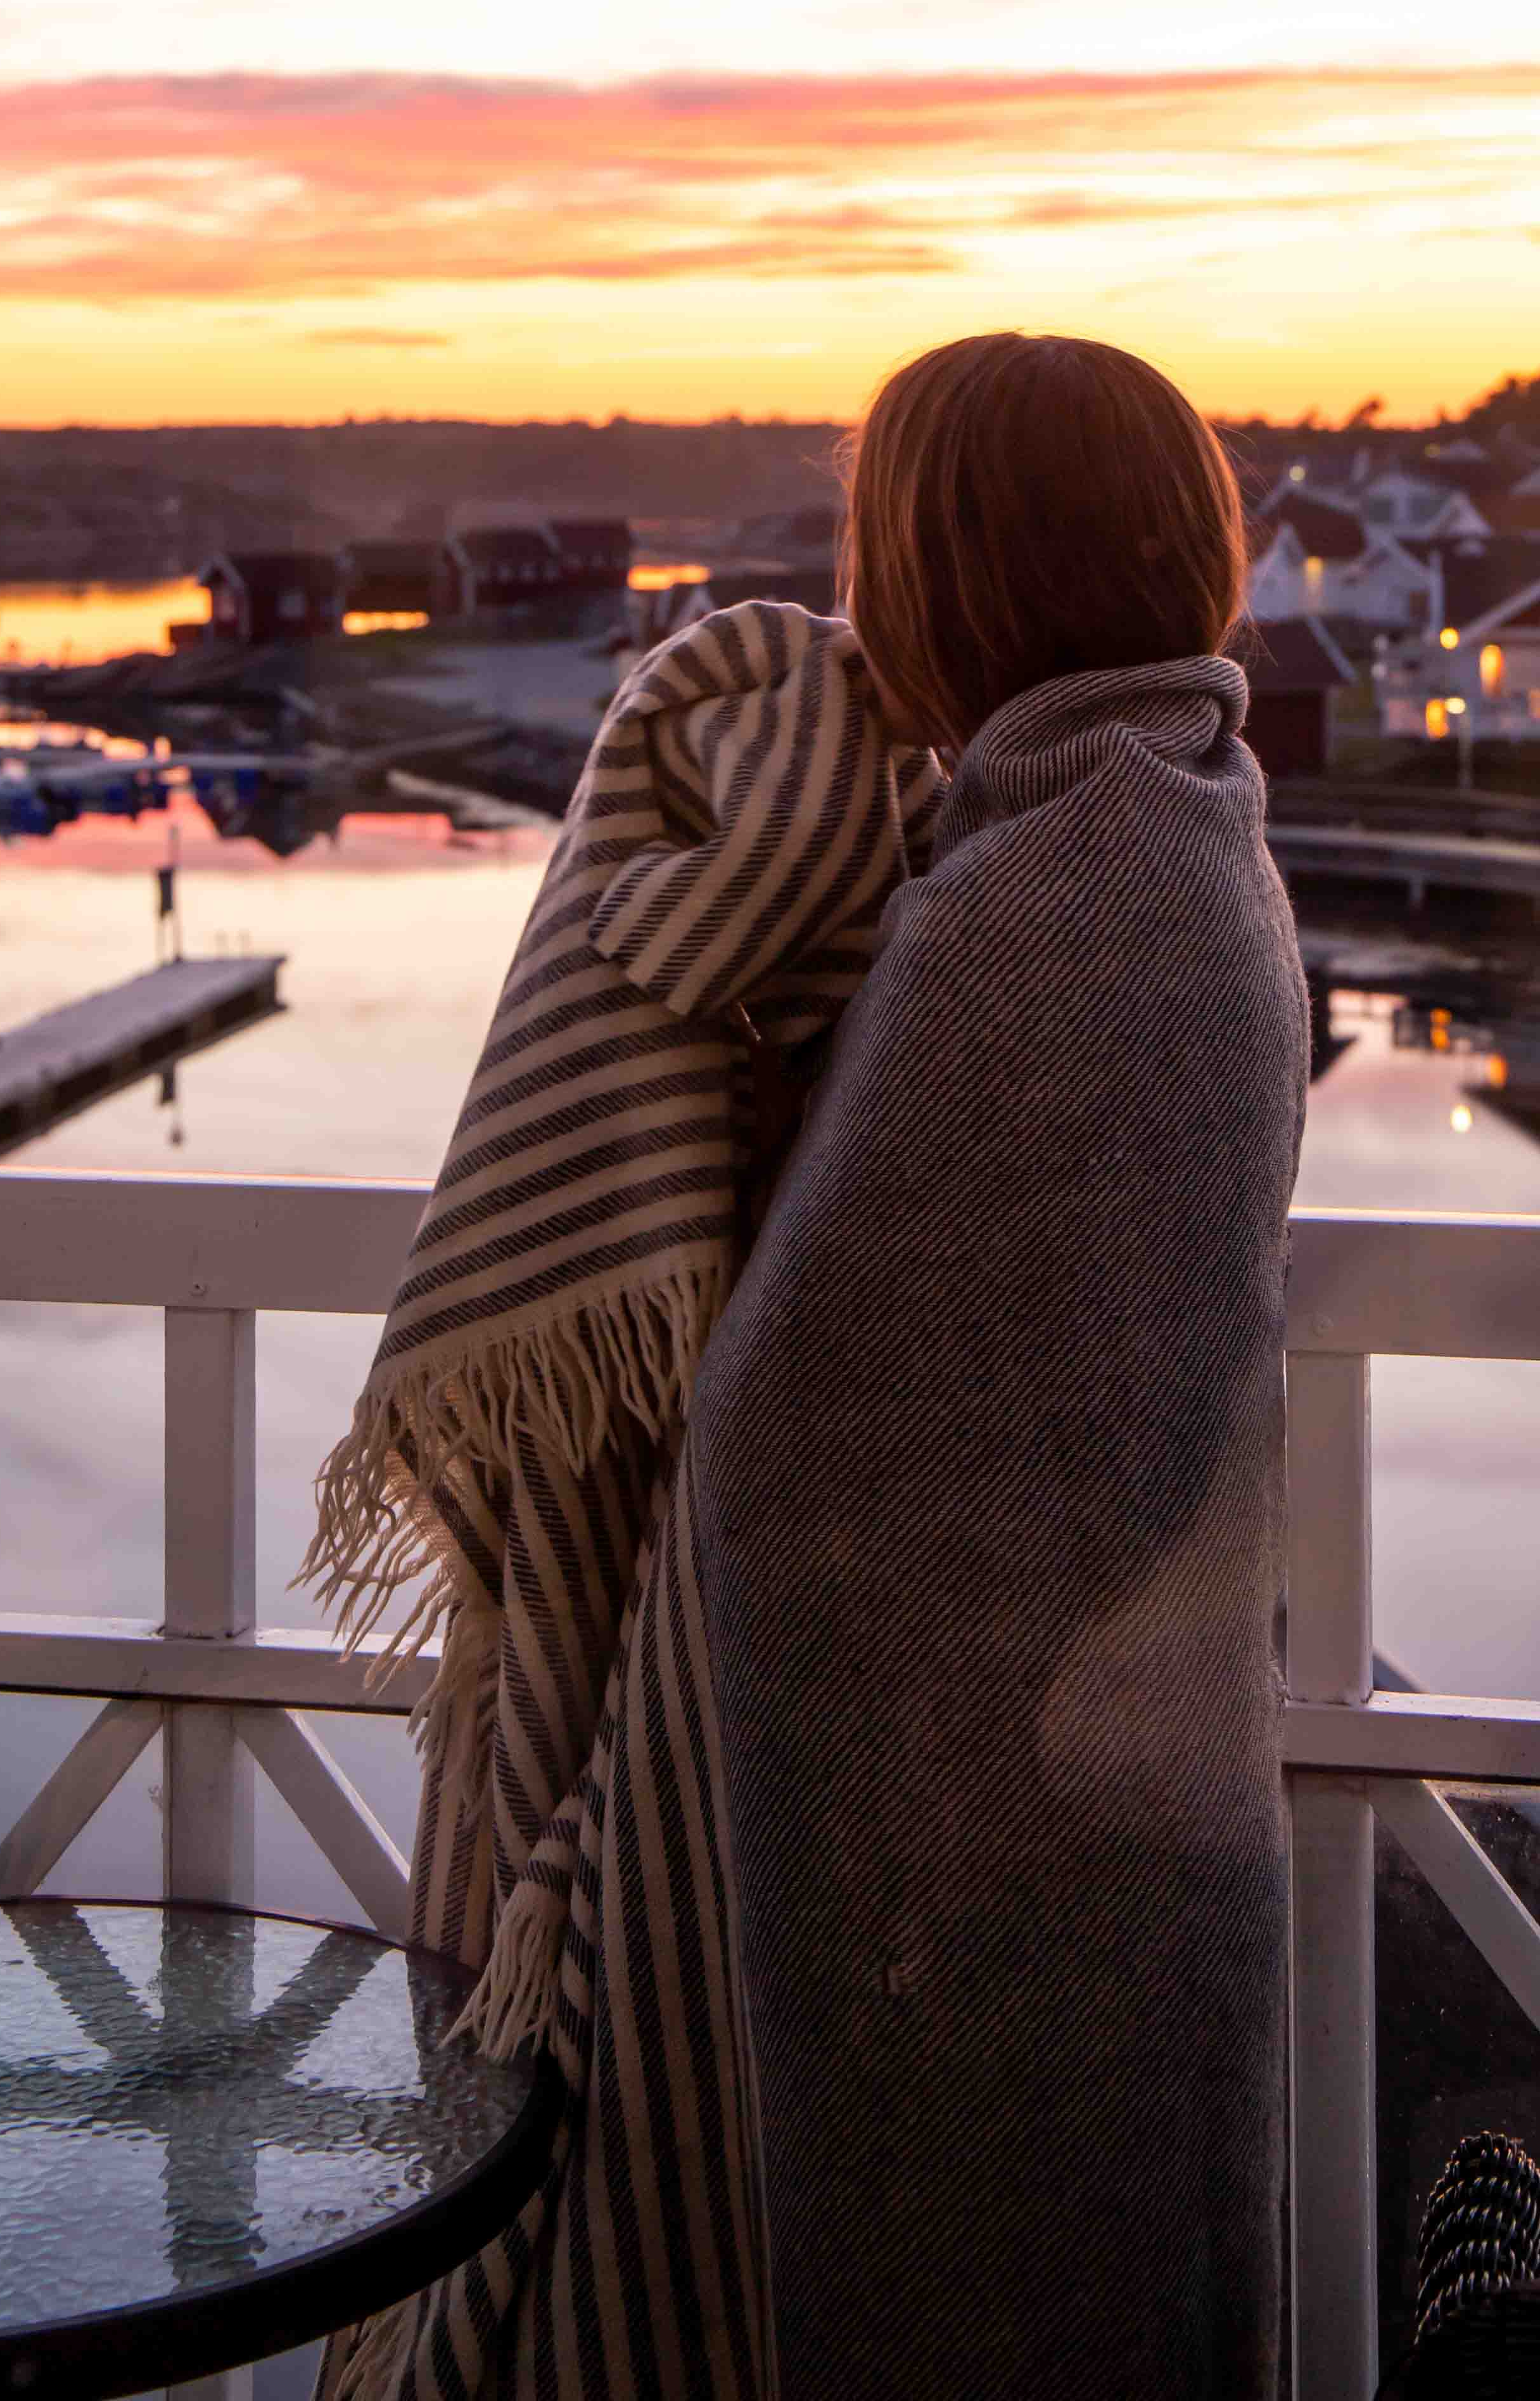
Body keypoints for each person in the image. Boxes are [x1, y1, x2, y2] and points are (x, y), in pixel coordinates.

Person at [311, 332, 1305, 2400]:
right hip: (1128, 1766)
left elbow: (809, 1417)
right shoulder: (1189, 822)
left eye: (883, 551)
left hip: (913, 1822)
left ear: (954, 574)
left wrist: (601, 1795)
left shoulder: (1043, 898)